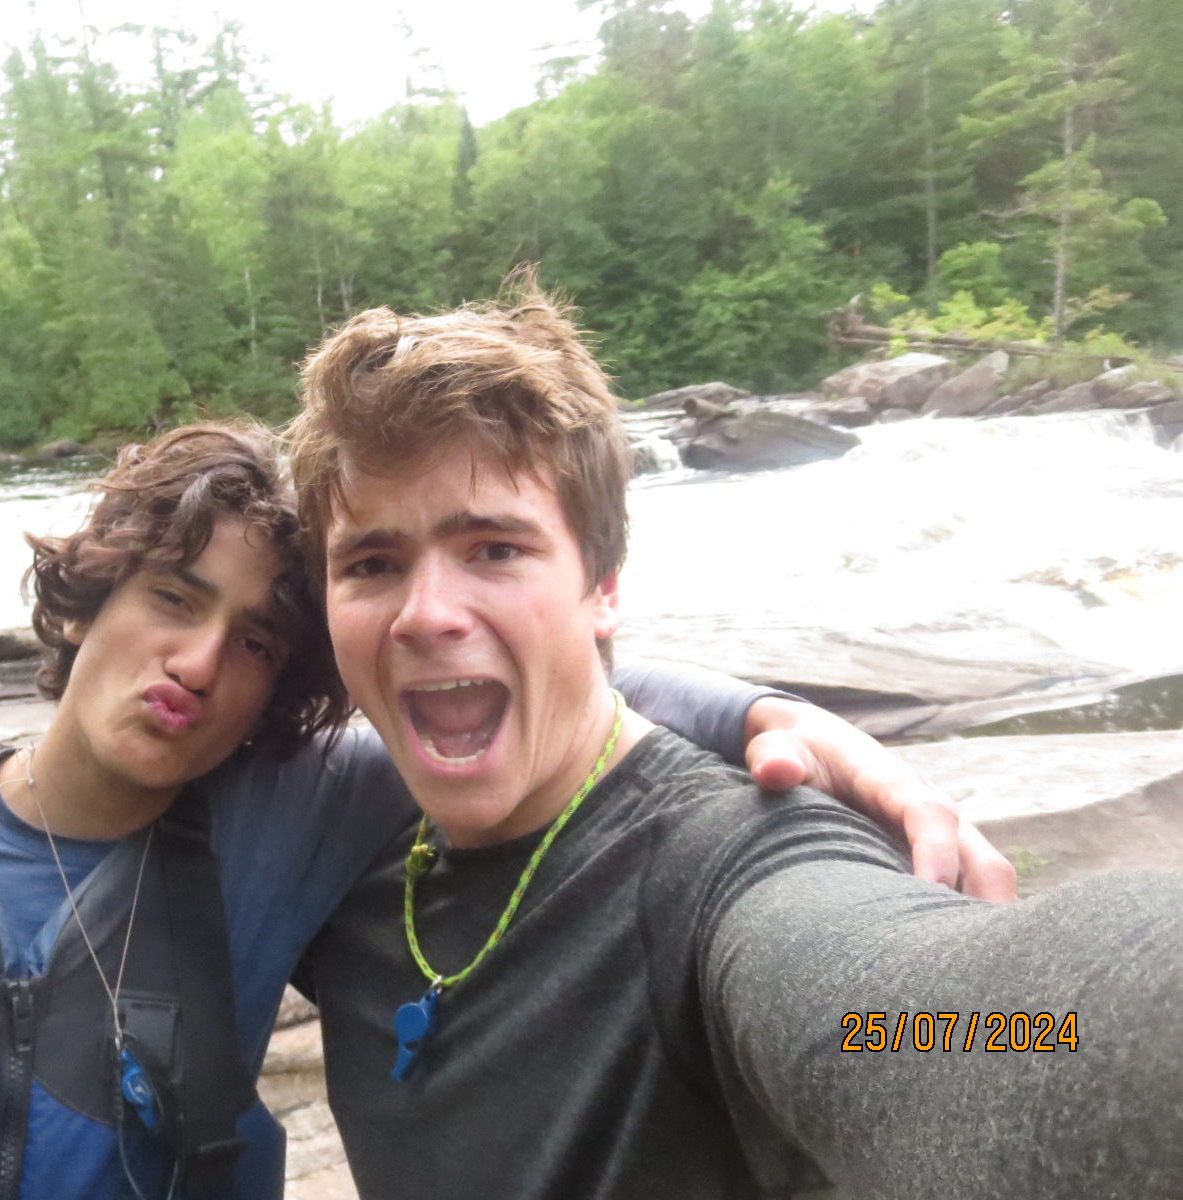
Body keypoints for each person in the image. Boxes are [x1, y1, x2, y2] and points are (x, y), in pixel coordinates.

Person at [0, 421, 997, 1200]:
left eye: (255, 645)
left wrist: (765, 715)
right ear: (92, 594)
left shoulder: (286, 820)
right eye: (173, 598)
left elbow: (509, 670)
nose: (198, 664)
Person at [283, 277, 1183, 1199]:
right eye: (373, 563)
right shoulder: (335, 856)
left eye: (495, 549)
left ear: (605, 588)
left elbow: (933, 1024)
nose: (426, 614)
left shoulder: (727, 865)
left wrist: (1087, 1036)